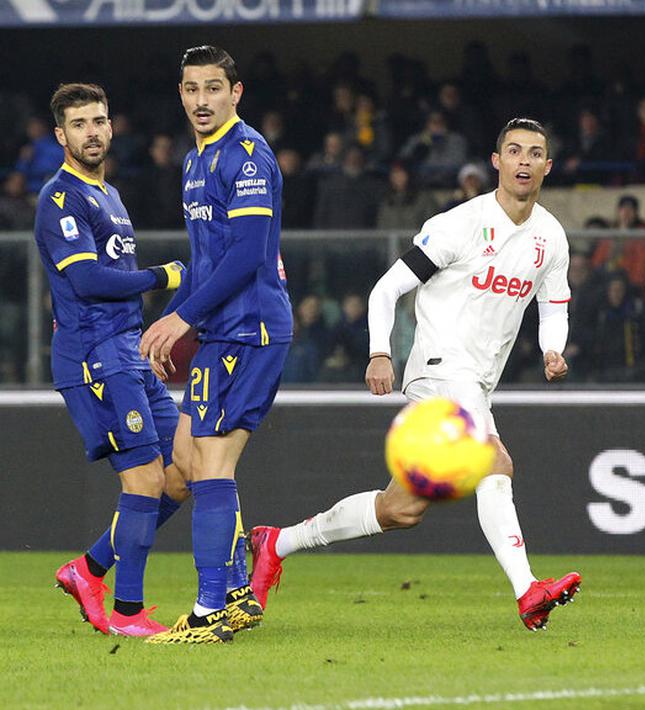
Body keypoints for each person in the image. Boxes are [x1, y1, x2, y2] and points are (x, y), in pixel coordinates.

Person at [246, 118, 582, 631]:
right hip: (440, 367)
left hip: (476, 381)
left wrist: (552, 348)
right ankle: (527, 590)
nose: (524, 161)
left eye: (534, 153)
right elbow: (386, 289)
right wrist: (380, 352)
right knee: (494, 460)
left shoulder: (550, 236)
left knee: (400, 509)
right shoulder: (460, 225)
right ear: (497, 162)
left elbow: (554, 305)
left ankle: (278, 543)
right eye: (514, 151)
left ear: (547, 166)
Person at [139, 46, 293, 644]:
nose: (201, 100)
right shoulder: (194, 161)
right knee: (185, 455)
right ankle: (233, 592)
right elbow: (207, 261)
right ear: (180, 94)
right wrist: (168, 320)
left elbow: (248, 254)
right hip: (222, 330)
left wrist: (183, 317)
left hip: (250, 329)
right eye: (191, 89)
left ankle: (210, 610)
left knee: (210, 461)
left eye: (213, 88)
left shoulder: (247, 155)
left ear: (236, 92)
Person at [36, 83, 187, 637]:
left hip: (127, 351)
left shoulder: (111, 196)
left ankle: (89, 569)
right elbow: (86, 279)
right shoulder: (61, 199)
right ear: (61, 136)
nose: (92, 132)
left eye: (98, 121)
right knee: (145, 480)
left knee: (184, 472)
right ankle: (127, 612)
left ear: (111, 125)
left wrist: (143, 339)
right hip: (93, 357)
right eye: (79, 124)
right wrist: (162, 276)